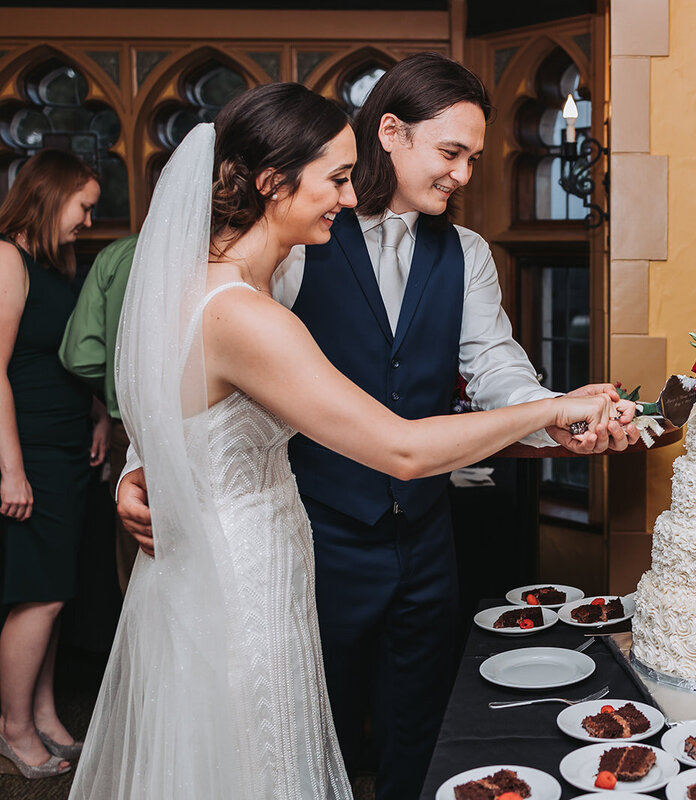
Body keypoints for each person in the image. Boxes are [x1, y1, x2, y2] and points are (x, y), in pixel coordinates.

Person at [72, 82, 626, 800]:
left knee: (413, 729)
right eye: (451, 152)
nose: (463, 175)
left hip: (420, 534)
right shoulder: (294, 251)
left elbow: (493, 363)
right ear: (390, 133)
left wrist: (552, 413)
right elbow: (204, 377)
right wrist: (139, 470)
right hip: (312, 532)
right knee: (291, 729)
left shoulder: (461, 252)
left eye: (476, 158)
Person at [0, 149, 108, 779]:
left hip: (66, 446)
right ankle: (13, 730)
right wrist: (11, 471)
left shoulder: (57, 266)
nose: (88, 220)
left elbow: (69, 356)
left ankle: (41, 712)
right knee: (36, 596)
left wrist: (96, 413)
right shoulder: (7, 258)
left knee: (56, 593)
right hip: (31, 452)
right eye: (83, 206)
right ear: (50, 196)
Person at [59, 233, 139, 593]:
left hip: (132, 428)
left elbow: (80, 356)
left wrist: (113, 385)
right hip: (217, 433)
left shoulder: (118, 254)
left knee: (136, 564)